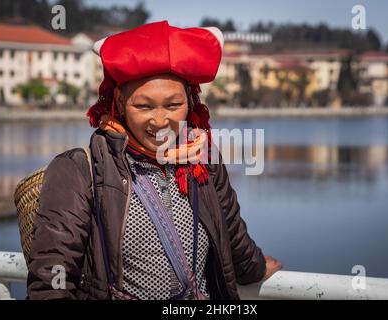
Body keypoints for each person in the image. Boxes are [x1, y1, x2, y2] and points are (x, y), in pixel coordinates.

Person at [27, 20, 282, 300]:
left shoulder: (203, 158)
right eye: (143, 105)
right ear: (121, 104)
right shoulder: (80, 170)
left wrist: (255, 268)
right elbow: (52, 276)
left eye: (173, 105)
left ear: (190, 101)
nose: (160, 120)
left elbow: (231, 235)